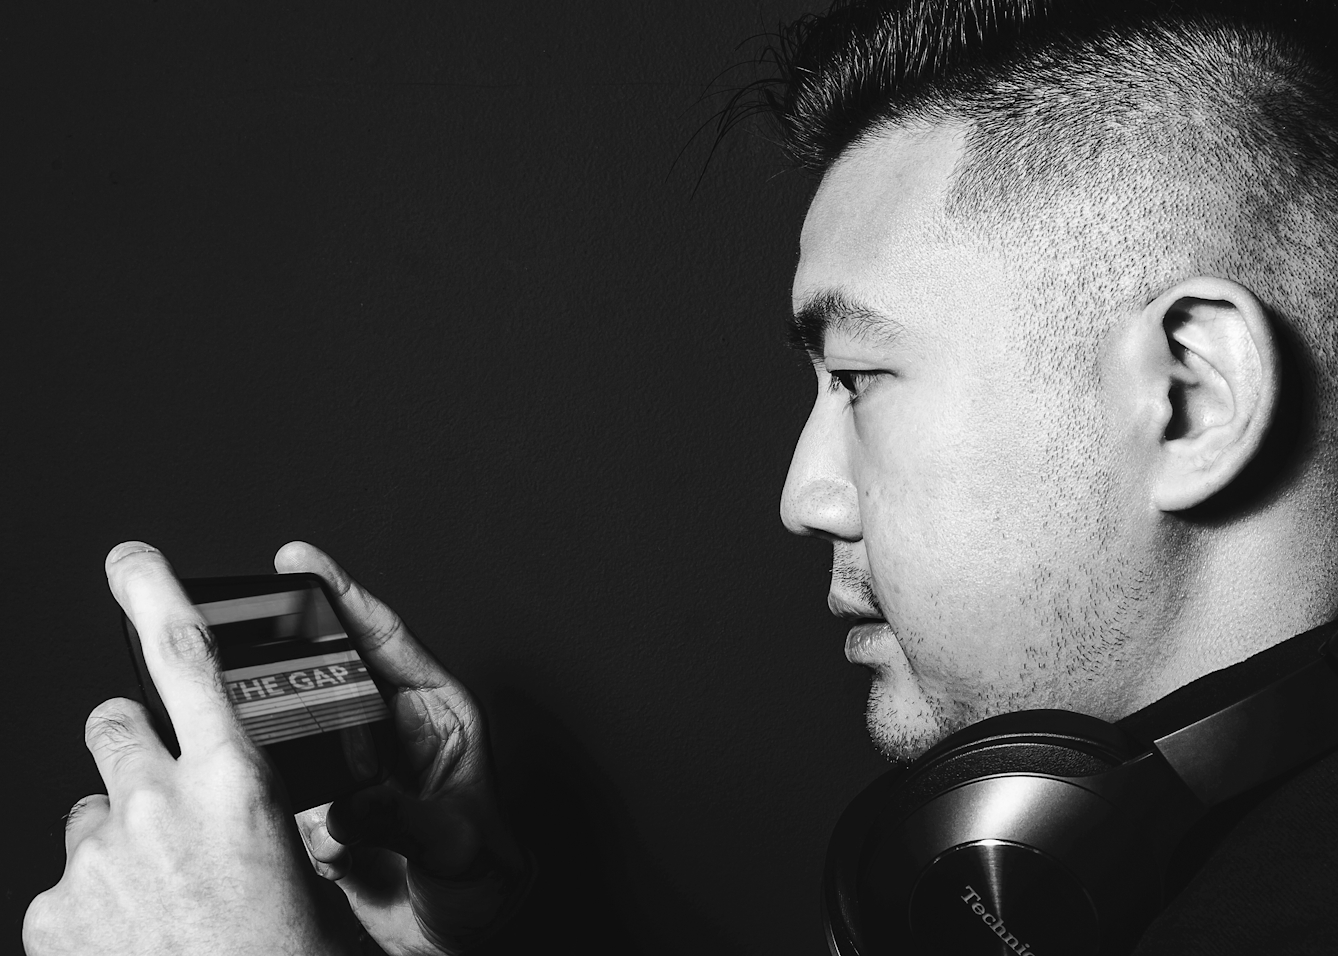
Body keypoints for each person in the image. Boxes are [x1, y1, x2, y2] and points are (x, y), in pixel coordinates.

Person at [21, 0, 1338, 953]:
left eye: (861, 379)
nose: (804, 491)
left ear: (1192, 395)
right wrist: (482, 929)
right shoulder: (1122, 870)